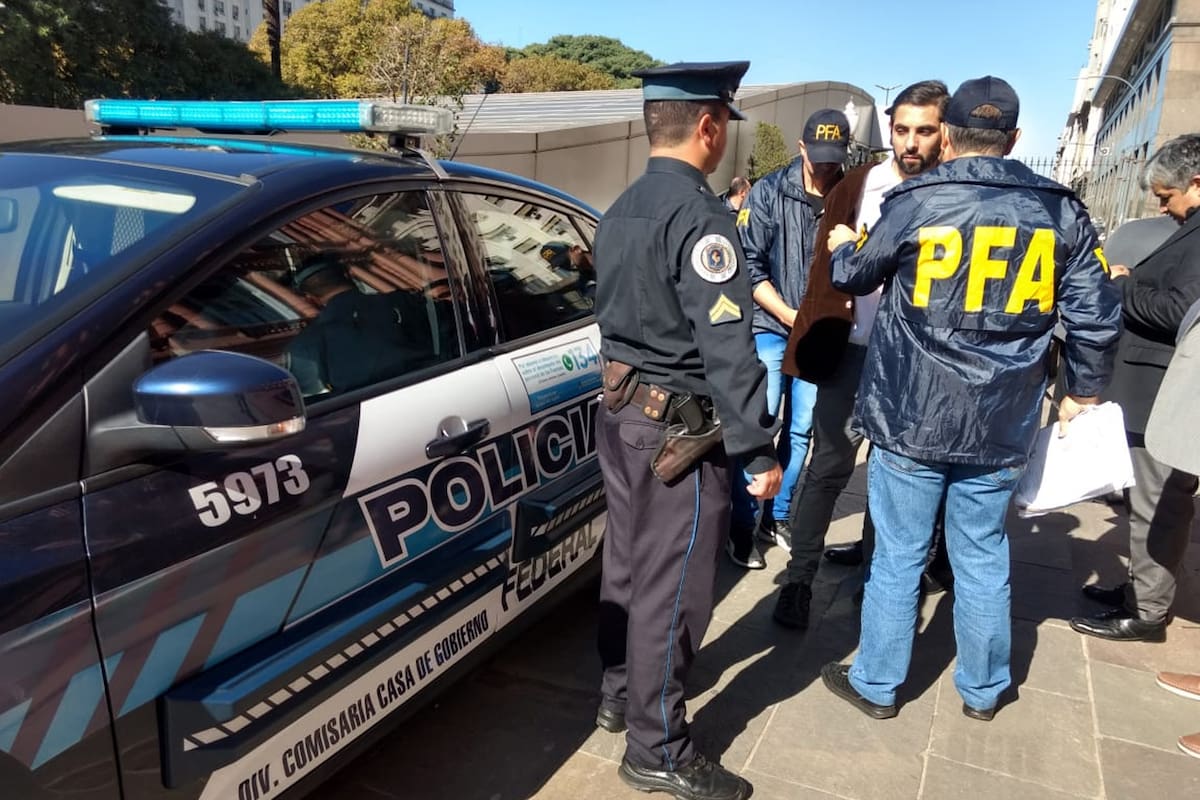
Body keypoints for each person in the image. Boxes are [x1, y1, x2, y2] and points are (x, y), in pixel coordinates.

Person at [819, 76, 1121, 721]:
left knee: (898, 554)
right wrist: (1085, 390)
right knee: (982, 552)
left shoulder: (916, 199)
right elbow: (1096, 315)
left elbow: (851, 275)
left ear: (948, 136)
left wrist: (845, 244)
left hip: (912, 412)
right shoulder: (1060, 210)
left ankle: (877, 683)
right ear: (1014, 140)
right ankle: (983, 691)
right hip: (1002, 417)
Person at [592, 61, 782, 800]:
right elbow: (728, 346)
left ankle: (617, 694)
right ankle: (657, 747)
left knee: (627, 567)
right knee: (673, 591)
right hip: (679, 434)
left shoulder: (621, 208)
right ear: (708, 126)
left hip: (621, 414)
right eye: (726, 126)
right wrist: (760, 447)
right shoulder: (701, 219)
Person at [770, 80, 951, 628]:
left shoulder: (951, 192)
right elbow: (822, 273)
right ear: (889, 128)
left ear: (945, 131)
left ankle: (879, 582)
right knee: (827, 466)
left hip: (914, 363)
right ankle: (798, 579)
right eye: (901, 129)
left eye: (925, 130)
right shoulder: (857, 185)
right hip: (848, 352)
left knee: (894, 477)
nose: (911, 143)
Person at [1071, 133, 1200, 642]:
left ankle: (1147, 611)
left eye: (1167, 197)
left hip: (1166, 396)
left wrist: (1123, 285)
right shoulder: (1191, 228)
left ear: (1196, 181)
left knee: (1158, 507)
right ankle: (1137, 591)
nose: (1164, 208)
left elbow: (1180, 311)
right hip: (1151, 390)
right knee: (1145, 503)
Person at [727, 108, 849, 569]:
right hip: (771, 328)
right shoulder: (768, 192)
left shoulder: (848, 193)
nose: (825, 168)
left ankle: (773, 517)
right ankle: (741, 529)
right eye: (817, 158)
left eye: (834, 160)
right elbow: (749, 266)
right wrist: (789, 315)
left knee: (801, 432)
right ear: (801, 148)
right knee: (759, 426)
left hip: (821, 335)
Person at [284, 252, 435, 397]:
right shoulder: (404, 302)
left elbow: (313, 393)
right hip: (434, 387)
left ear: (310, 299)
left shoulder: (304, 344)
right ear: (349, 275)